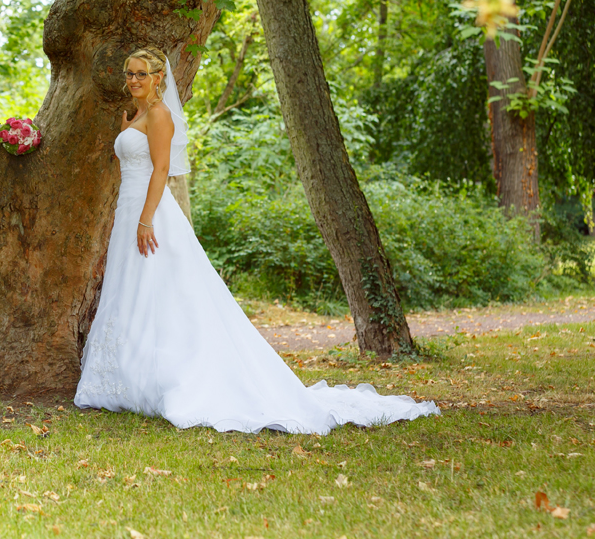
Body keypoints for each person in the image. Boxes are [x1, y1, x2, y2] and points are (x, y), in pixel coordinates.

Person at [73, 47, 439, 434]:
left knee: (158, 289)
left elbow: (161, 169)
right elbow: (136, 161)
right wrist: (126, 130)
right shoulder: (138, 115)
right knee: (130, 290)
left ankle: (169, 378)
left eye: (141, 74)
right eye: (129, 73)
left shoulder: (160, 115)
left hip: (149, 213)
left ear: (159, 77)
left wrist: (147, 220)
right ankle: (127, 378)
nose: (133, 80)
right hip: (128, 209)